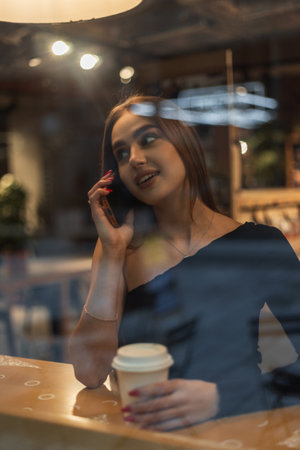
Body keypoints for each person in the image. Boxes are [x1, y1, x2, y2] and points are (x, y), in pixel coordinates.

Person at [69, 95, 300, 431]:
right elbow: (89, 373)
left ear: (184, 141)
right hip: (145, 436)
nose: (134, 158)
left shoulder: (258, 244)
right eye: (121, 153)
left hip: (237, 429)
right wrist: (111, 253)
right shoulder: (119, 248)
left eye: (148, 139)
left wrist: (224, 397)